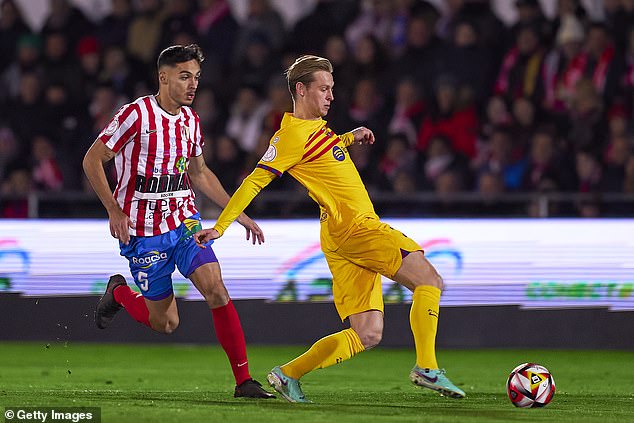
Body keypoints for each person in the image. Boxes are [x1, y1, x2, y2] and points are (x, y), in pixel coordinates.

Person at [194, 55, 466, 402]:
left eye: (332, 89)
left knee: (367, 333)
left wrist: (349, 138)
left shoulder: (315, 132)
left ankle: (288, 373)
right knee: (430, 280)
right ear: (301, 89)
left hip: (339, 237)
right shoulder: (290, 135)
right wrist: (221, 227)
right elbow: (253, 182)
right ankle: (427, 367)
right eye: (324, 89)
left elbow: (322, 154)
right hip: (357, 228)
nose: (331, 96)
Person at [82, 44, 274, 399]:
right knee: (166, 323)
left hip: (184, 223)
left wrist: (239, 214)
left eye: (196, 77)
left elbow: (200, 174)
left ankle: (244, 381)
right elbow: (93, 160)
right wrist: (113, 209)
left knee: (216, 288)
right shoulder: (135, 115)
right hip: (142, 233)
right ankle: (120, 293)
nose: (193, 84)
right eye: (185, 76)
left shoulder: (190, 121)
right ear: (164, 76)